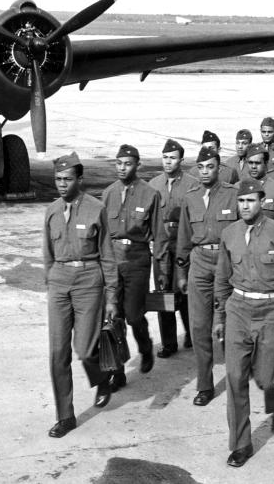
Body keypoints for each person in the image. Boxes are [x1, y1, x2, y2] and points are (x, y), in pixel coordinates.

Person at [214, 179, 274, 467]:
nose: (245, 206)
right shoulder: (229, 234)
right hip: (238, 310)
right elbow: (221, 280)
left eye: (250, 201)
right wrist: (220, 317)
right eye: (241, 201)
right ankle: (241, 444)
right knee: (236, 378)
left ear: (261, 201)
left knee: (266, 379)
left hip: (272, 311)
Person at [43, 152, 119, 438]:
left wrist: (112, 297)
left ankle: (101, 376)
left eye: (67, 179)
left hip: (89, 279)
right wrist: (51, 282)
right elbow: (47, 253)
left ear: (79, 179)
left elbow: (108, 256)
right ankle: (65, 416)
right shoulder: (51, 211)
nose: (62, 184)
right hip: (60, 281)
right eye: (58, 179)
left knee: (85, 348)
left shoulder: (96, 208)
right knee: (57, 352)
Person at [101, 144, 167, 391]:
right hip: (112, 258)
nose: (122, 168)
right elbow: (102, 233)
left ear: (137, 165)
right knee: (112, 318)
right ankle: (117, 371)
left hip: (138, 259)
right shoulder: (108, 193)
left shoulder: (150, 194)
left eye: (127, 163)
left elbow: (159, 235)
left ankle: (145, 346)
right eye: (118, 163)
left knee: (133, 315)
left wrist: (162, 270)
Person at [177, 146, 239, 406]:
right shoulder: (190, 198)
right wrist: (182, 272)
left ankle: (236, 377)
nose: (204, 172)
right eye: (200, 167)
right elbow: (182, 239)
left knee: (231, 323)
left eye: (210, 166)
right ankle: (205, 384)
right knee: (199, 327)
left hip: (227, 263)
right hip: (199, 263)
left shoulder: (233, 195)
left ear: (219, 168)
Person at [149, 139, 197, 358]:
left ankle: (191, 333)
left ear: (181, 161)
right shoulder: (153, 185)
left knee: (186, 292)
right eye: (165, 157)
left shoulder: (192, 184)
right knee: (163, 294)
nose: (168, 162)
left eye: (173, 158)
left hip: (183, 245)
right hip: (161, 247)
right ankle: (169, 343)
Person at [245, 143, 274, 220]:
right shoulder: (237, 188)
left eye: (257, 163)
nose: (253, 166)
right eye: (250, 163)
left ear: (266, 163)